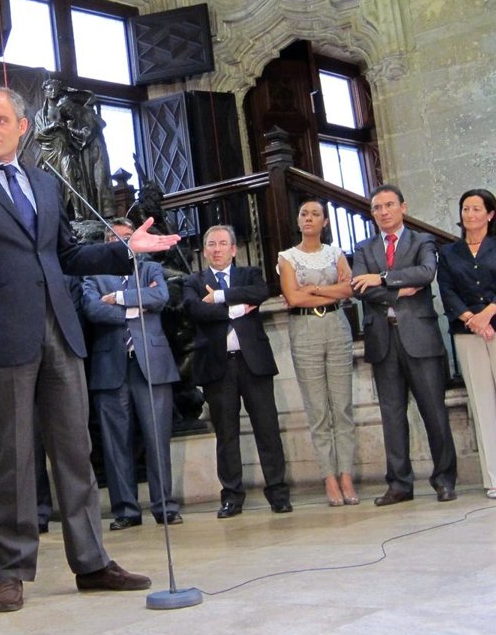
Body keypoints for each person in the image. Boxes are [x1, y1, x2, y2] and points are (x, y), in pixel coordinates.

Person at [0, 86, 179, 613]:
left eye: (0, 120)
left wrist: (123, 249)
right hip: (1, 337)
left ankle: (92, 562)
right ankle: (11, 570)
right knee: (11, 458)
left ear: (22, 126)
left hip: (59, 330)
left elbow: (67, 255)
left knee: (75, 452)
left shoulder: (43, 182)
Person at [350, 184, 458, 505]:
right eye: (377, 208)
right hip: (383, 340)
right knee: (392, 415)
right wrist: (398, 289)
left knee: (434, 411)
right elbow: (358, 288)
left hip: (420, 338)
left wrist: (382, 279)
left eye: (389, 205)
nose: (383, 212)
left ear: (403, 207)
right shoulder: (364, 248)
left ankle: (444, 480)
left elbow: (425, 273)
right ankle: (399, 484)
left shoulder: (421, 241)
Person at [183, 225, 291, 517]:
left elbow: (260, 292)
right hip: (217, 366)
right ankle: (231, 496)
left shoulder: (249, 274)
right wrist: (237, 309)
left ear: (233, 249)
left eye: (222, 244)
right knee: (226, 434)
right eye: (211, 244)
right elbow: (194, 309)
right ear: (204, 250)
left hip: (253, 363)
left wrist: (219, 297)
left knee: (267, 430)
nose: (216, 249)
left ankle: (278, 493)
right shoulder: (194, 281)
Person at [81, 217, 182, 529]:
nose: (123, 241)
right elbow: (92, 309)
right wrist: (138, 307)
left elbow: (160, 297)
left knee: (157, 438)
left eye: (127, 236)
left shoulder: (150, 269)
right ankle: (125, 510)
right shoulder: (95, 275)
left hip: (151, 364)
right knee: (115, 444)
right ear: (107, 243)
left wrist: (120, 299)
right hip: (110, 367)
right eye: (115, 237)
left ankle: (164, 506)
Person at [436, 189, 496, 499]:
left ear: (490, 214)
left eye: (476, 209)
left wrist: (487, 316)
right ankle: (494, 478)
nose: (470, 214)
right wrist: (472, 319)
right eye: (465, 208)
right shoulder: (449, 252)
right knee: (481, 405)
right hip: (468, 334)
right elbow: (447, 291)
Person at [277, 199, 358, 506]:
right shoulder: (287, 257)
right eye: (304, 214)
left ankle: (346, 475)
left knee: (342, 406)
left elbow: (348, 289)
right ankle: (329, 478)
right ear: (298, 221)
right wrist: (328, 291)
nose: (309, 218)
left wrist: (315, 290)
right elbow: (294, 298)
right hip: (304, 328)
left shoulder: (335, 253)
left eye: (315, 214)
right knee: (318, 410)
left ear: (325, 221)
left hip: (336, 325)